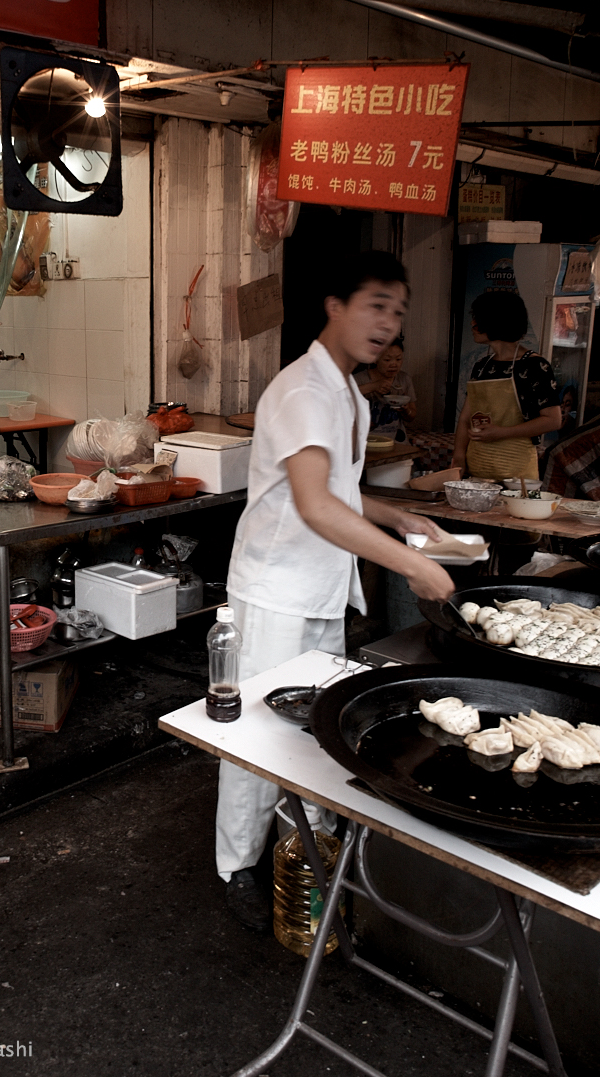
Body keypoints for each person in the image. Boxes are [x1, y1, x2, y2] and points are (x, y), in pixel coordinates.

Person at [219, 251, 457, 933]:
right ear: (335, 305)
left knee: (316, 725)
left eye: (399, 311)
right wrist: (411, 567)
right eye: (376, 304)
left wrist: (399, 517)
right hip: (275, 589)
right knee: (257, 737)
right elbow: (315, 507)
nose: (388, 322)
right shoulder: (305, 391)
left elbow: (342, 495)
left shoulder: (347, 392)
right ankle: (236, 865)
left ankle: (307, 850)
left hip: (320, 588)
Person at [451, 290, 561, 482]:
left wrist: (502, 433)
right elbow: (465, 419)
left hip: (516, 476)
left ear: (496, 321)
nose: (472, 323)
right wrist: (459, 455)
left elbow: (552, 420)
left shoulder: (535, 366)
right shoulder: (482, 366)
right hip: (477, 470)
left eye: (478, 318)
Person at [355, 337, 416, 431]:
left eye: (398, 359)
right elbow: (343, 397)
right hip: (367, 439)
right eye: (387, 360)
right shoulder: (360, 378)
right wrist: (373, 386)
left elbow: (411, 417)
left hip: (396, 438)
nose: (394, 364)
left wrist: (406, 410)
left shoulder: (404, 379)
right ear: (375, 359)